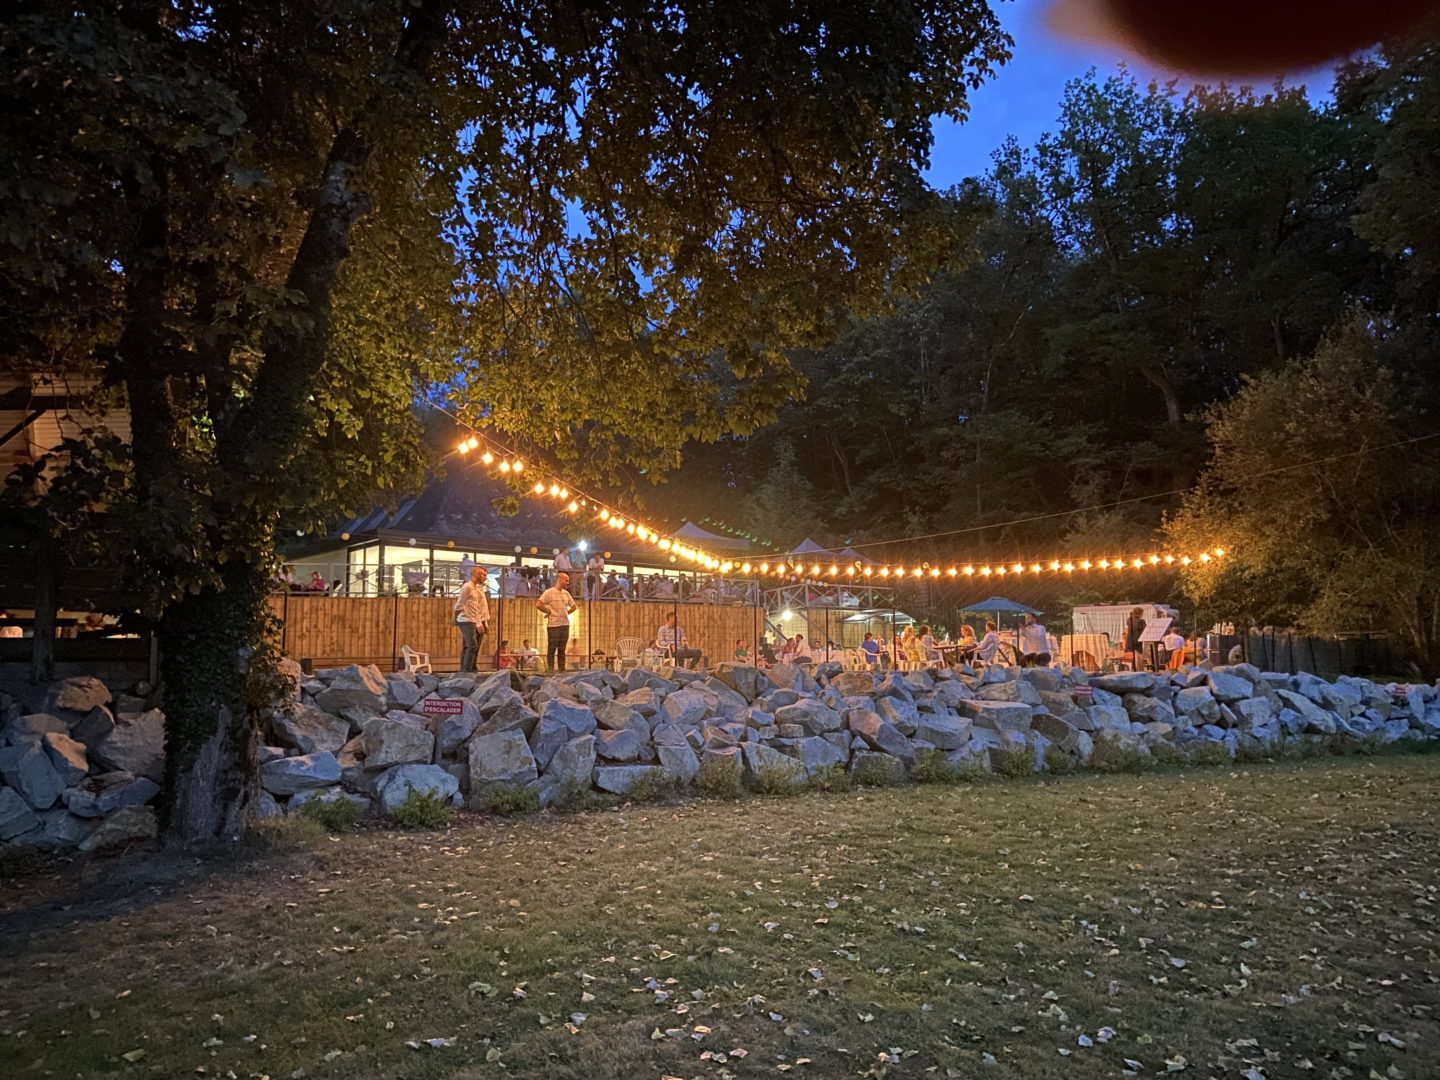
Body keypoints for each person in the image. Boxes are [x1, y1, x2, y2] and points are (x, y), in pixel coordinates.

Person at [536, 571, 577, 672]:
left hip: (565, 624)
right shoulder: (549, 592)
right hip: (553, 625)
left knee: (562, 649)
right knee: (552, 648)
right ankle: (550, 669)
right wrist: (548, 611)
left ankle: (561, 669)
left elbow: (574, 606)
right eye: (566, 580)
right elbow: (538, 604)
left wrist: (565, 613)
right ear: (560, 580)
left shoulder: (566, 593)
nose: (568, 583)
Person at [454, 565, 490, 672]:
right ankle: (466, 670)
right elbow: (459, 605)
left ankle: (471, 668)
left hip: (477, 620)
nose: (485, 577)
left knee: (474, 646)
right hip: (467, 620)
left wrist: (484, 621)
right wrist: (455, 619)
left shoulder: (479, 588)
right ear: (477, 575)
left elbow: (481, 607)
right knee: (471, 645)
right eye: (483, 574)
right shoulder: (467, 587)